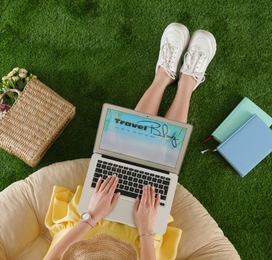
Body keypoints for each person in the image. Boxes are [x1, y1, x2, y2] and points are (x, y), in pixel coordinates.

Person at [45, 22, 217, 260]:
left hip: (81, 234)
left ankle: (163, 76)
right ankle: (187, 83)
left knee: (120, 158)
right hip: (139, 243)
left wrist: (91, 217)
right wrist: (146, 232)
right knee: (159, 169)